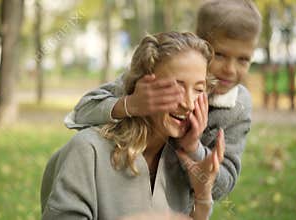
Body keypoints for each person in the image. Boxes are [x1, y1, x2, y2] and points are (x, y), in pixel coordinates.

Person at [64, 0, 262, 200]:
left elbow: (220, 189)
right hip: (127, 187)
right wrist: (131, 104)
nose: (230, 69)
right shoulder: (156, 74)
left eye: (243, 59)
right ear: (200, 44)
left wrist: (194, 149)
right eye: (219, 55)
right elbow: (80, 113)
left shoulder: (238, 106)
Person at [41, 32, 225, 220]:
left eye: (199, 89)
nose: (188, 104)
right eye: (176, 86)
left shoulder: (183, 162)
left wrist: (202, 196)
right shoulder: (88, 150)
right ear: (142, 83)